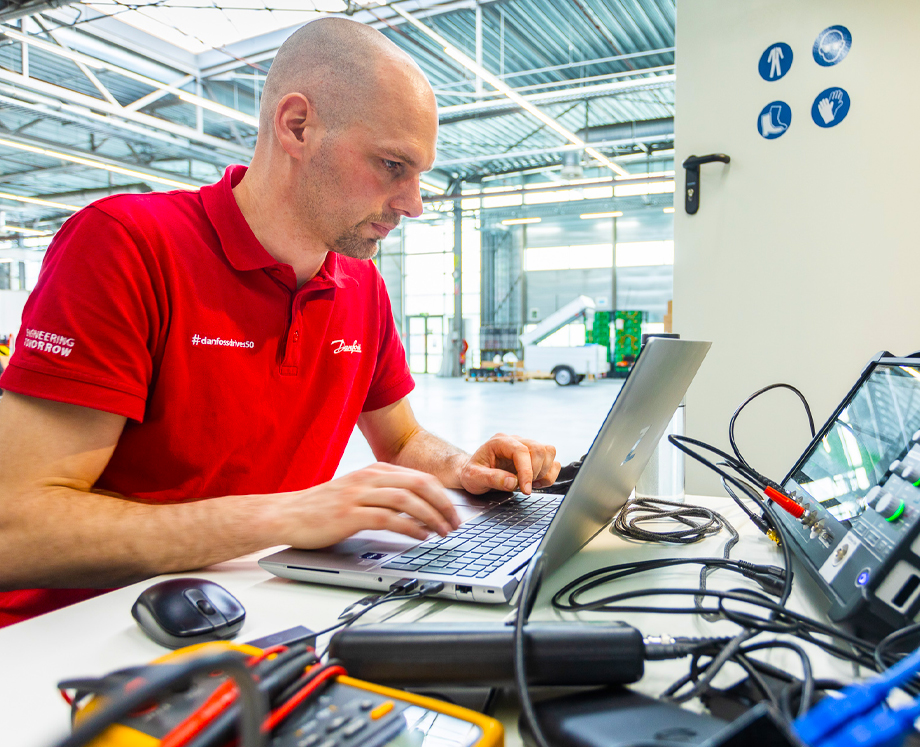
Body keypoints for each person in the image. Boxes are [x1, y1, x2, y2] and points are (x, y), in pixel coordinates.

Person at [0, 18, 561, 627]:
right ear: (297, 126)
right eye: (393, 165)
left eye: (419, 174)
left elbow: (400, 440)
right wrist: (283, 516)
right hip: (83, 634)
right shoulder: (128, 246)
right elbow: (16, 526)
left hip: (259, 614)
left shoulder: (361, 286)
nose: (413, 203)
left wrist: (462, 468)